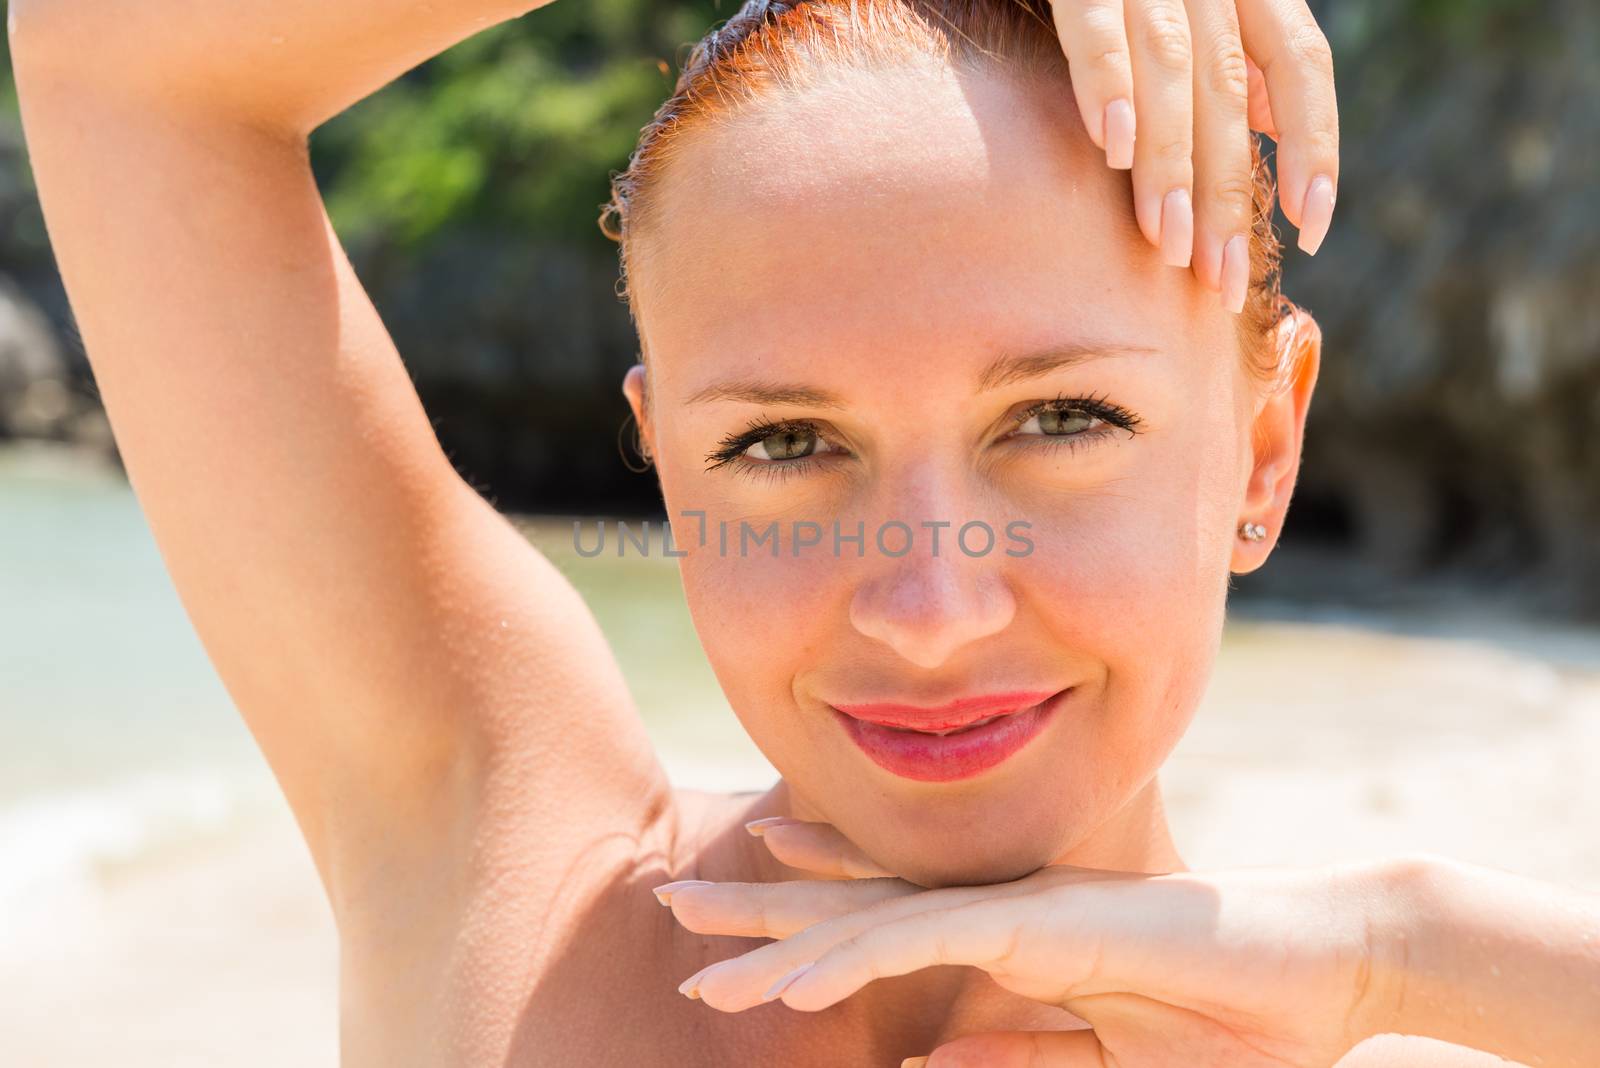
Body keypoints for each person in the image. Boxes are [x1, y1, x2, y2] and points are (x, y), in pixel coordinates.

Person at [8, 0, 1596, 1065]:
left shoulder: (1343, 1004)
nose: (927, 609)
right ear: (665, 467)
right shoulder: (515, 882)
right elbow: (113, 54)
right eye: (781, 443)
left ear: (1262, 448)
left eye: (1057, 422)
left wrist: (1406, 946)